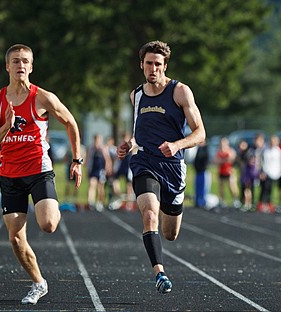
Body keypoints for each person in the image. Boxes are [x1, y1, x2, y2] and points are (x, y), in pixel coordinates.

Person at [0, 44, 83, 305]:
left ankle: (53, 206)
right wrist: (7, 124)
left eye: (25, 61)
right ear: (7, 66)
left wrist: (77, 160)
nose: (20, 65)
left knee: (48, 225)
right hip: (10, 174)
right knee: (15, 236)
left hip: (39, 170)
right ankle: (39, 283)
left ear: (31, 66)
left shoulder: (43, 98)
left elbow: (71, 122)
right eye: (15, 61)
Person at [116, 40, 205, 294]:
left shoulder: (180, 92)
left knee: (170, 233)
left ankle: (171, 214)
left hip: (173, 167)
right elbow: (136, 132)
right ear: (142, 66)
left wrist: (177, 145)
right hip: (145, 161)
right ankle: (160, 273)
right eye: (148, 64)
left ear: (165, 66)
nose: (153, 69)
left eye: (158, 64)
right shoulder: (136, 95)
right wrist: (128, 144)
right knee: (149, 215)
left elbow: (200, 134)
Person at [257, 134, 281, 213]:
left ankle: (268, 203)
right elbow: (262, 162)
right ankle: (262, 204)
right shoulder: (265, 149)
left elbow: (280, 162)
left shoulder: (278, 150)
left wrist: (280, 171)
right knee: (265, 189)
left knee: (271, 189)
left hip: (275, 173)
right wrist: (262, 172)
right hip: (266, 173)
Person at [86, 134, 112, 211]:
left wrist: (108, 169)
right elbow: (88, 159)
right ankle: (91, 202)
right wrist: (87, 169)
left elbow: (107, 159)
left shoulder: (103, 149)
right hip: (93, 169)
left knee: (101, 187)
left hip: (101, 170)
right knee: (92, 185)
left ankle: (99, 202)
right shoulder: (91, 148)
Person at [214, 136, 240, 208]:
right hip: (221, 171)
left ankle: (236, 200)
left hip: (229, 171)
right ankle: (222, 200)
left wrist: (224, 160)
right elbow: (216, 161)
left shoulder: (230, 151)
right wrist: (223, 160)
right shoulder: (218, 151)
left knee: (232, 186)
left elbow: (232, 159)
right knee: (221, 187)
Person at [193, 140, 210, 209]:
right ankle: (197, 201)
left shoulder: (205, 150)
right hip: (198, 172)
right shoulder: (199, 150)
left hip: (203, 171)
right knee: (197, 187)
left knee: (203, 188)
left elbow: (206, 161)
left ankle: (202, 202)